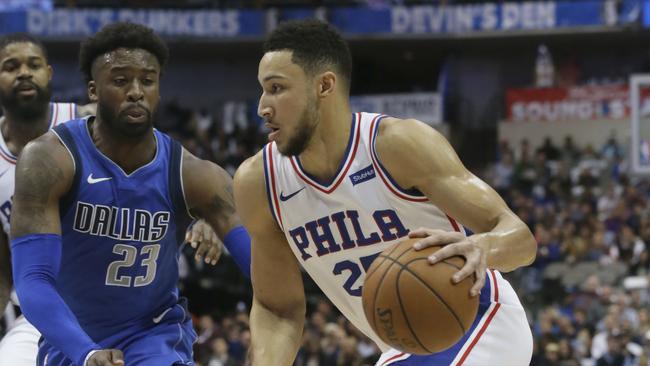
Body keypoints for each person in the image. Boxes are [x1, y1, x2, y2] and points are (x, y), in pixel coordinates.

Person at [234, 19, 536, 366]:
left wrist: (482, 246)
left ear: (325, 85)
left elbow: (520, 241)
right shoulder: (259, 182)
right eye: (262, 89)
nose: (262, 106)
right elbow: (278, 309)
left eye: (276, 88)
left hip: (481, 321)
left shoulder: (396, 145)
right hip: (402, 347)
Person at [10, 22, 249, 366]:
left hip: (152, 335)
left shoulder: (194, 175)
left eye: (147, 81)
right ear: (93, 90)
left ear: (159, 90)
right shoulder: (50, 160)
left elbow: (262, 266)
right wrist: (86, 351)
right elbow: (33, 279)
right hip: (71, 337)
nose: (136, 91)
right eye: (121, 80)